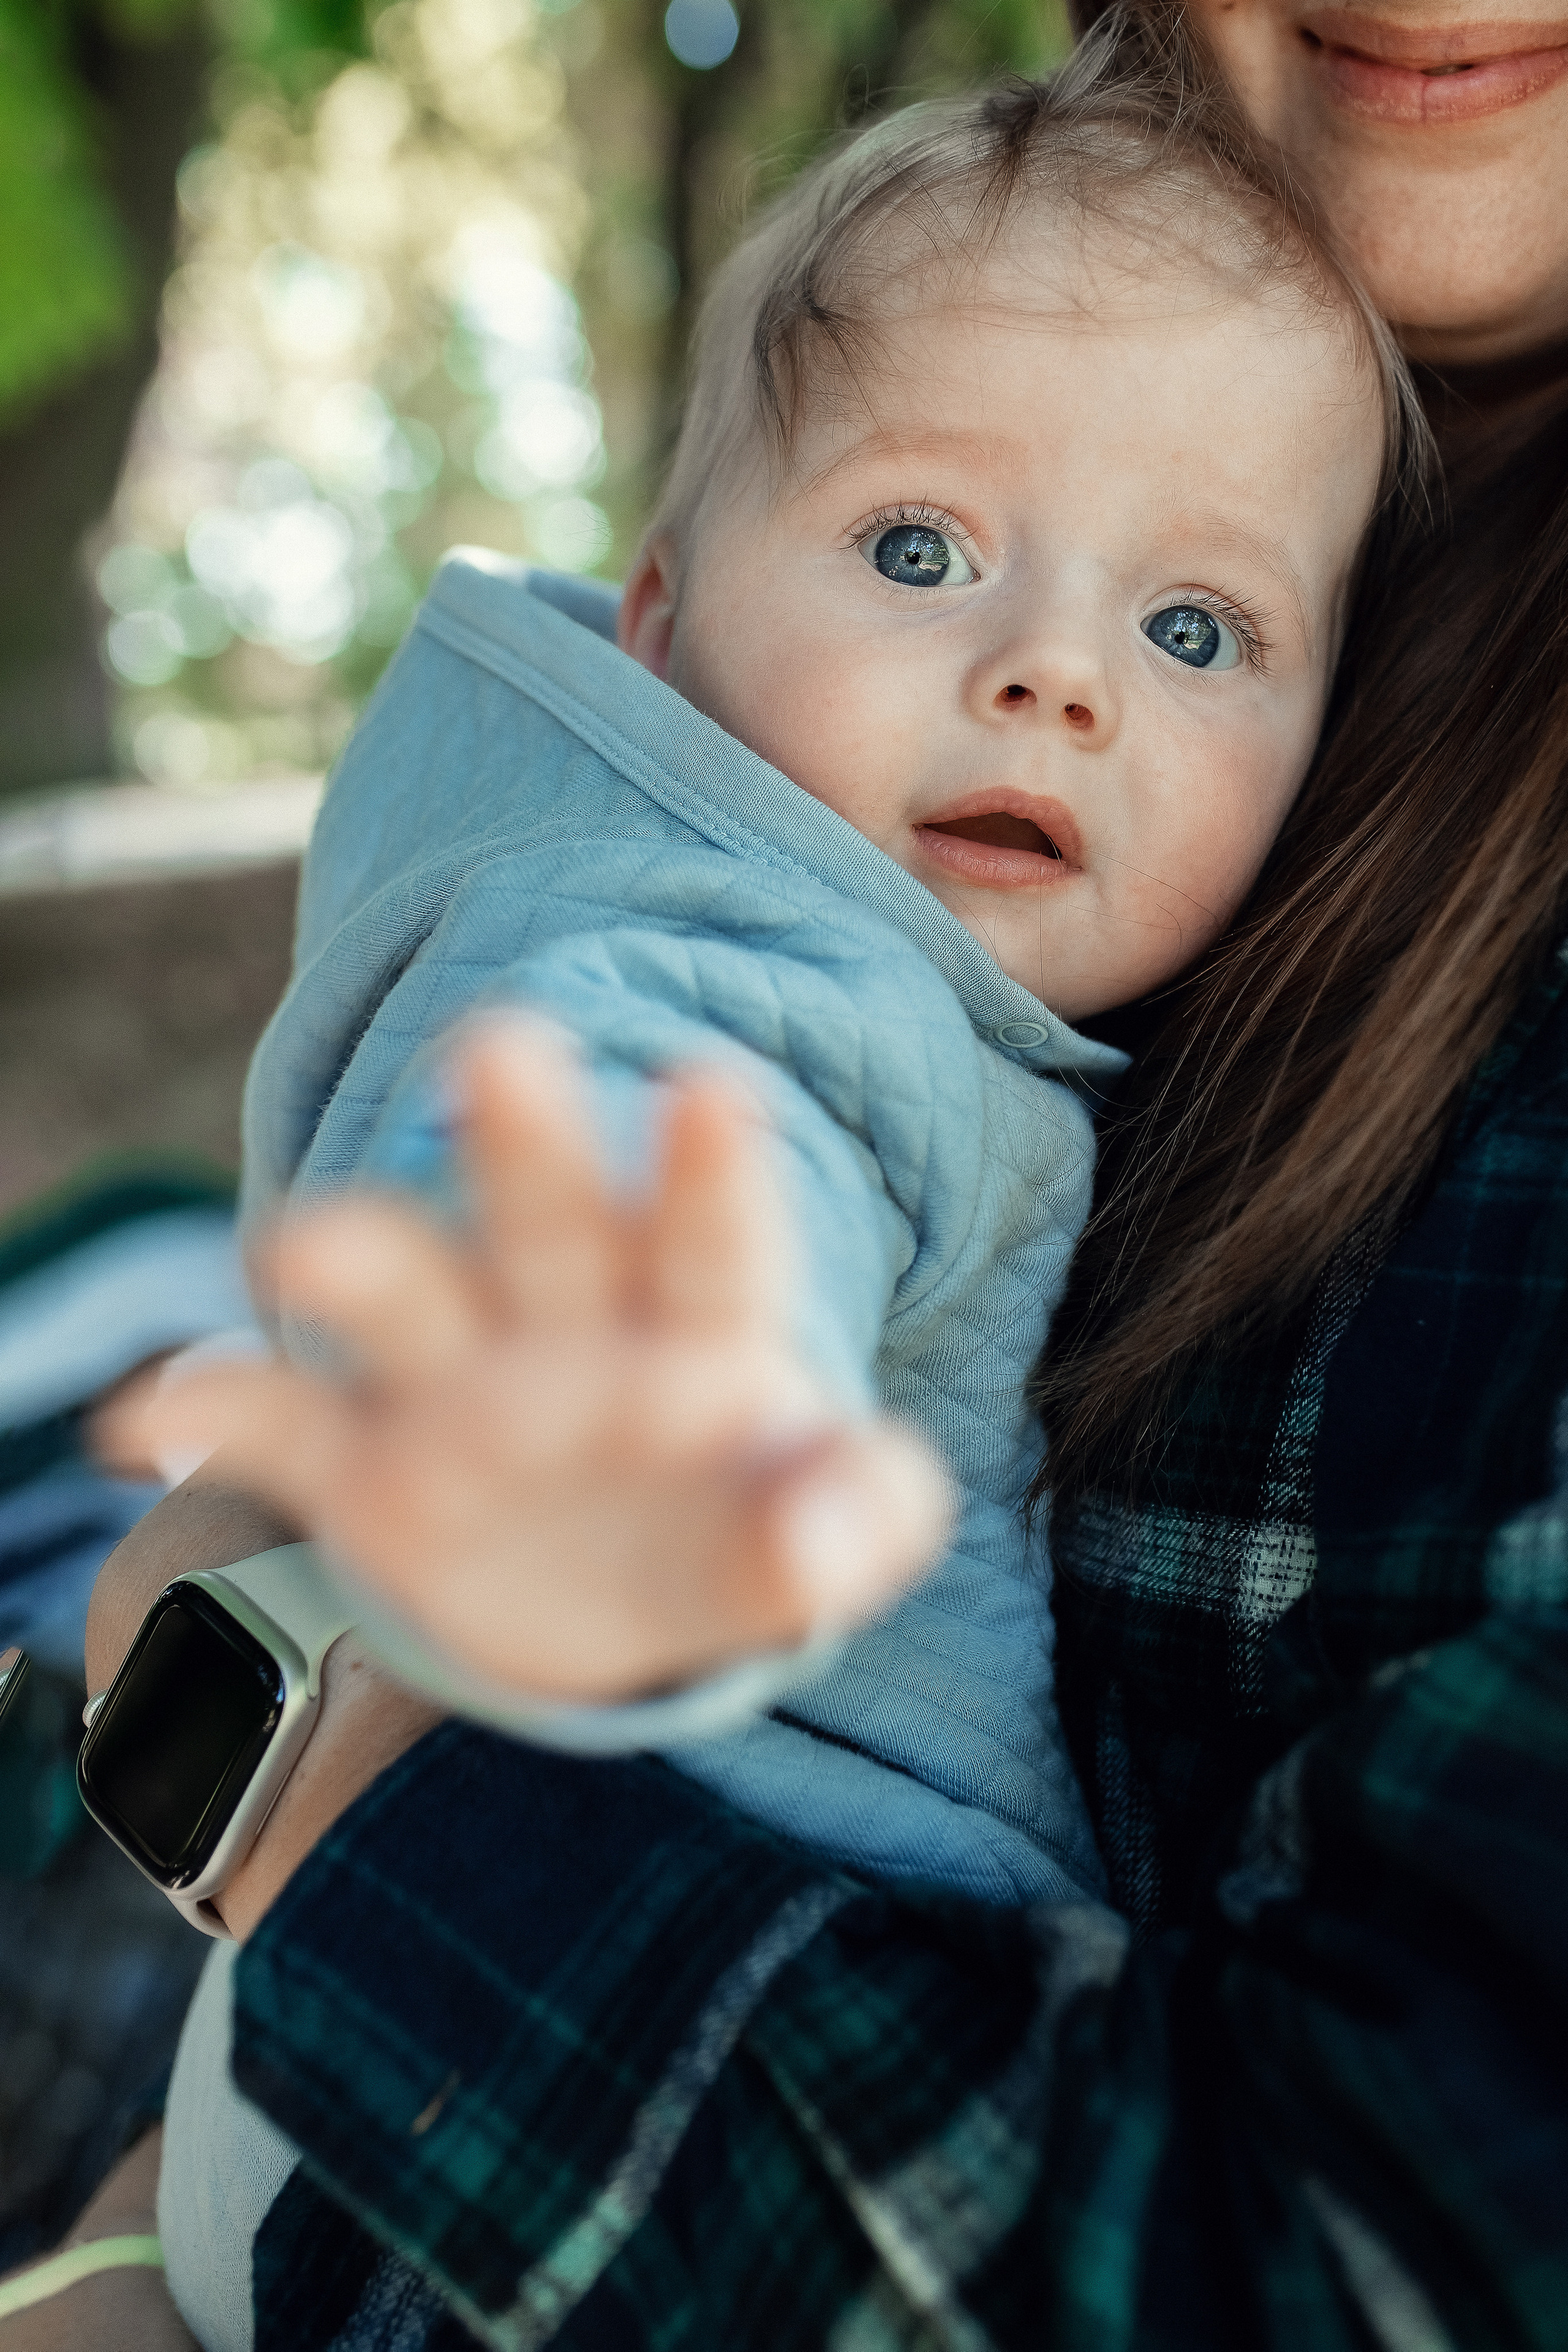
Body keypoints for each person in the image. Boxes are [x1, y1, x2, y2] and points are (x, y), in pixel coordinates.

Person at [40, 0, 1568, 2342]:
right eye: (923, 545)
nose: (1059, 676)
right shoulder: (746, 955)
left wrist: (295, 1760)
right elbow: (669, 1146)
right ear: (659, 623)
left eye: (1193, 630)